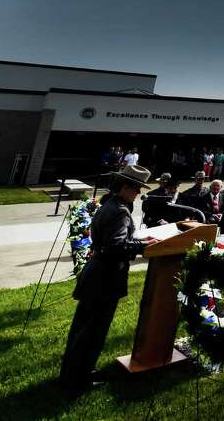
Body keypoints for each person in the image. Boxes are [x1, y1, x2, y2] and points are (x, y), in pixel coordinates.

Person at [58, 164, 156, 393]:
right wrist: (142, 246)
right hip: (105, 278)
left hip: (96, 274)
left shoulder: (108, 204)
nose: (139, 193)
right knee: (93, 331)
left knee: (83, 329)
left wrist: (136, 241)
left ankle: (73, 373)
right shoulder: (120, 211)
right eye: (136, 188)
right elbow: (116, 246)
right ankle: (78, 381)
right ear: (124, 186)